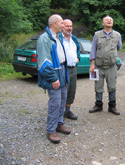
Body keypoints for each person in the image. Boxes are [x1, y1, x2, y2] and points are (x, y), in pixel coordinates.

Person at [37, 14, 71, 144]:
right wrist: (53, 78)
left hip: (62, 70)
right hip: (54, 73)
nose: (64, 26)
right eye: (62, 23)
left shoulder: (58, 37)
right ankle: (51, 130)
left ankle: (59, 123)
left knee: (62, 99)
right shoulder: (44, 39)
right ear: (54, 24)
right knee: (55, 102)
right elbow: (44, 62)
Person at [89, 15, 122, 115]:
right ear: (103, 23)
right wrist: (92, 64)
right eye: (106, 20)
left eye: (111, 19)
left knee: (112, 87)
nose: (109, 20)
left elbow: (119, 47)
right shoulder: (97, 34)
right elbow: (93, 50)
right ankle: (98, 105)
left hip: (112, 66)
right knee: (98, 86)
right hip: (98, 66)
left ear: (112, 23)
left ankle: (112, 106)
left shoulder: (117, 35)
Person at [59, 19, 81, 120]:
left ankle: (67, 111)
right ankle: (59, 114)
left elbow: (78, 49)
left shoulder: (74, 38)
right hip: (64, 68)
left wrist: (78, 58)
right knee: (63, 91)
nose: (69, 28)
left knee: (72, 90)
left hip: (73, 68)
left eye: (71, 26)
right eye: (67, 26)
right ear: (62, 26)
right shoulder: (59, 38)